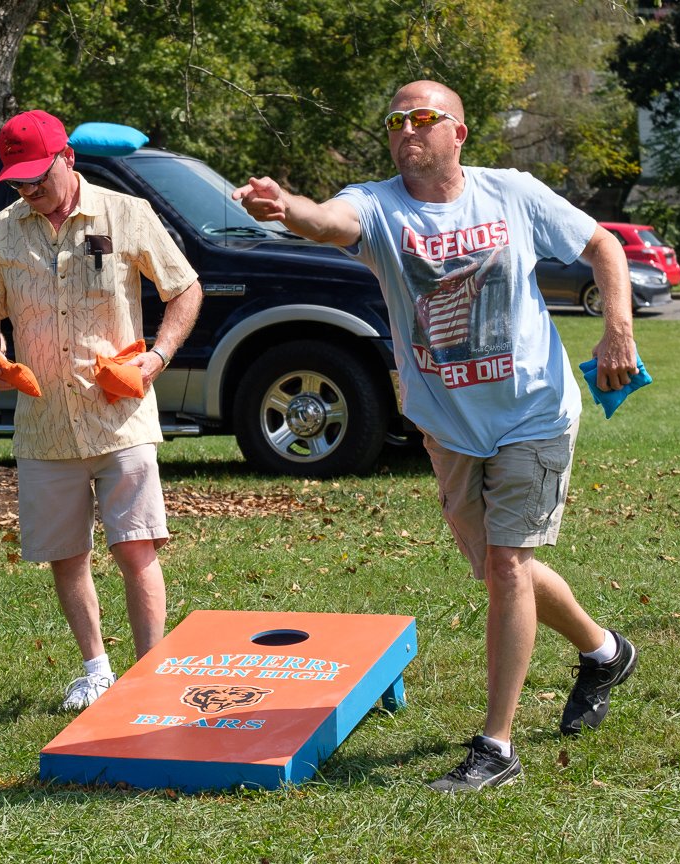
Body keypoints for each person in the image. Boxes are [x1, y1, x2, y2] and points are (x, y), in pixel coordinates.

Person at [234, 80, 639, 792]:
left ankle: (497, 748)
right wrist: (285, 207)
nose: (406, 130)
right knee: (495, 571)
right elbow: (326, 221)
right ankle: (605, 652)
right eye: (395, 120)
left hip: (532, 411)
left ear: (459, 132)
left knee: (508, 568)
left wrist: (618, 332)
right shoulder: (379, 205)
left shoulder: (510, 193)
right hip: (448, 424)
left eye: (423, 118)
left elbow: (601, 243)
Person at [0, 110, 203, 711]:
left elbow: (185, 288)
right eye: (16, 182)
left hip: (119, 414)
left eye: (37, 178)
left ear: (66, 158)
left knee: (135, 545)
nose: (28, 191)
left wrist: (158, 355)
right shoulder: (0, 232)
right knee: (66, 553)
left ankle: (150, 672)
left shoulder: (127, 214)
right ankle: (96, 668)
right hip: (44, 425)